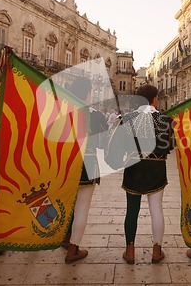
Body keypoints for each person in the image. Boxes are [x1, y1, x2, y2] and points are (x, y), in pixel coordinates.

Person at [105, 84, 174, 264]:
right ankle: (157, 251)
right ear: (155, 99)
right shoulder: (165, 119)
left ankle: (130, 251)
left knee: (132, 210)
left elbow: (116, 146)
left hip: (134, 167)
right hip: (157, 168)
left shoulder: (127, 118)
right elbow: (170, 145)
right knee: (156, 209)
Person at [64, 76, 109, 264]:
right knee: (82, 207)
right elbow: (104, 142)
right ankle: (73, 249)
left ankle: (65, 238)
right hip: (88, 164)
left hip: (66, 165)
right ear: (88, 92)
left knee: (67, 204)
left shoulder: (64, 113)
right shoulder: (96, 115)